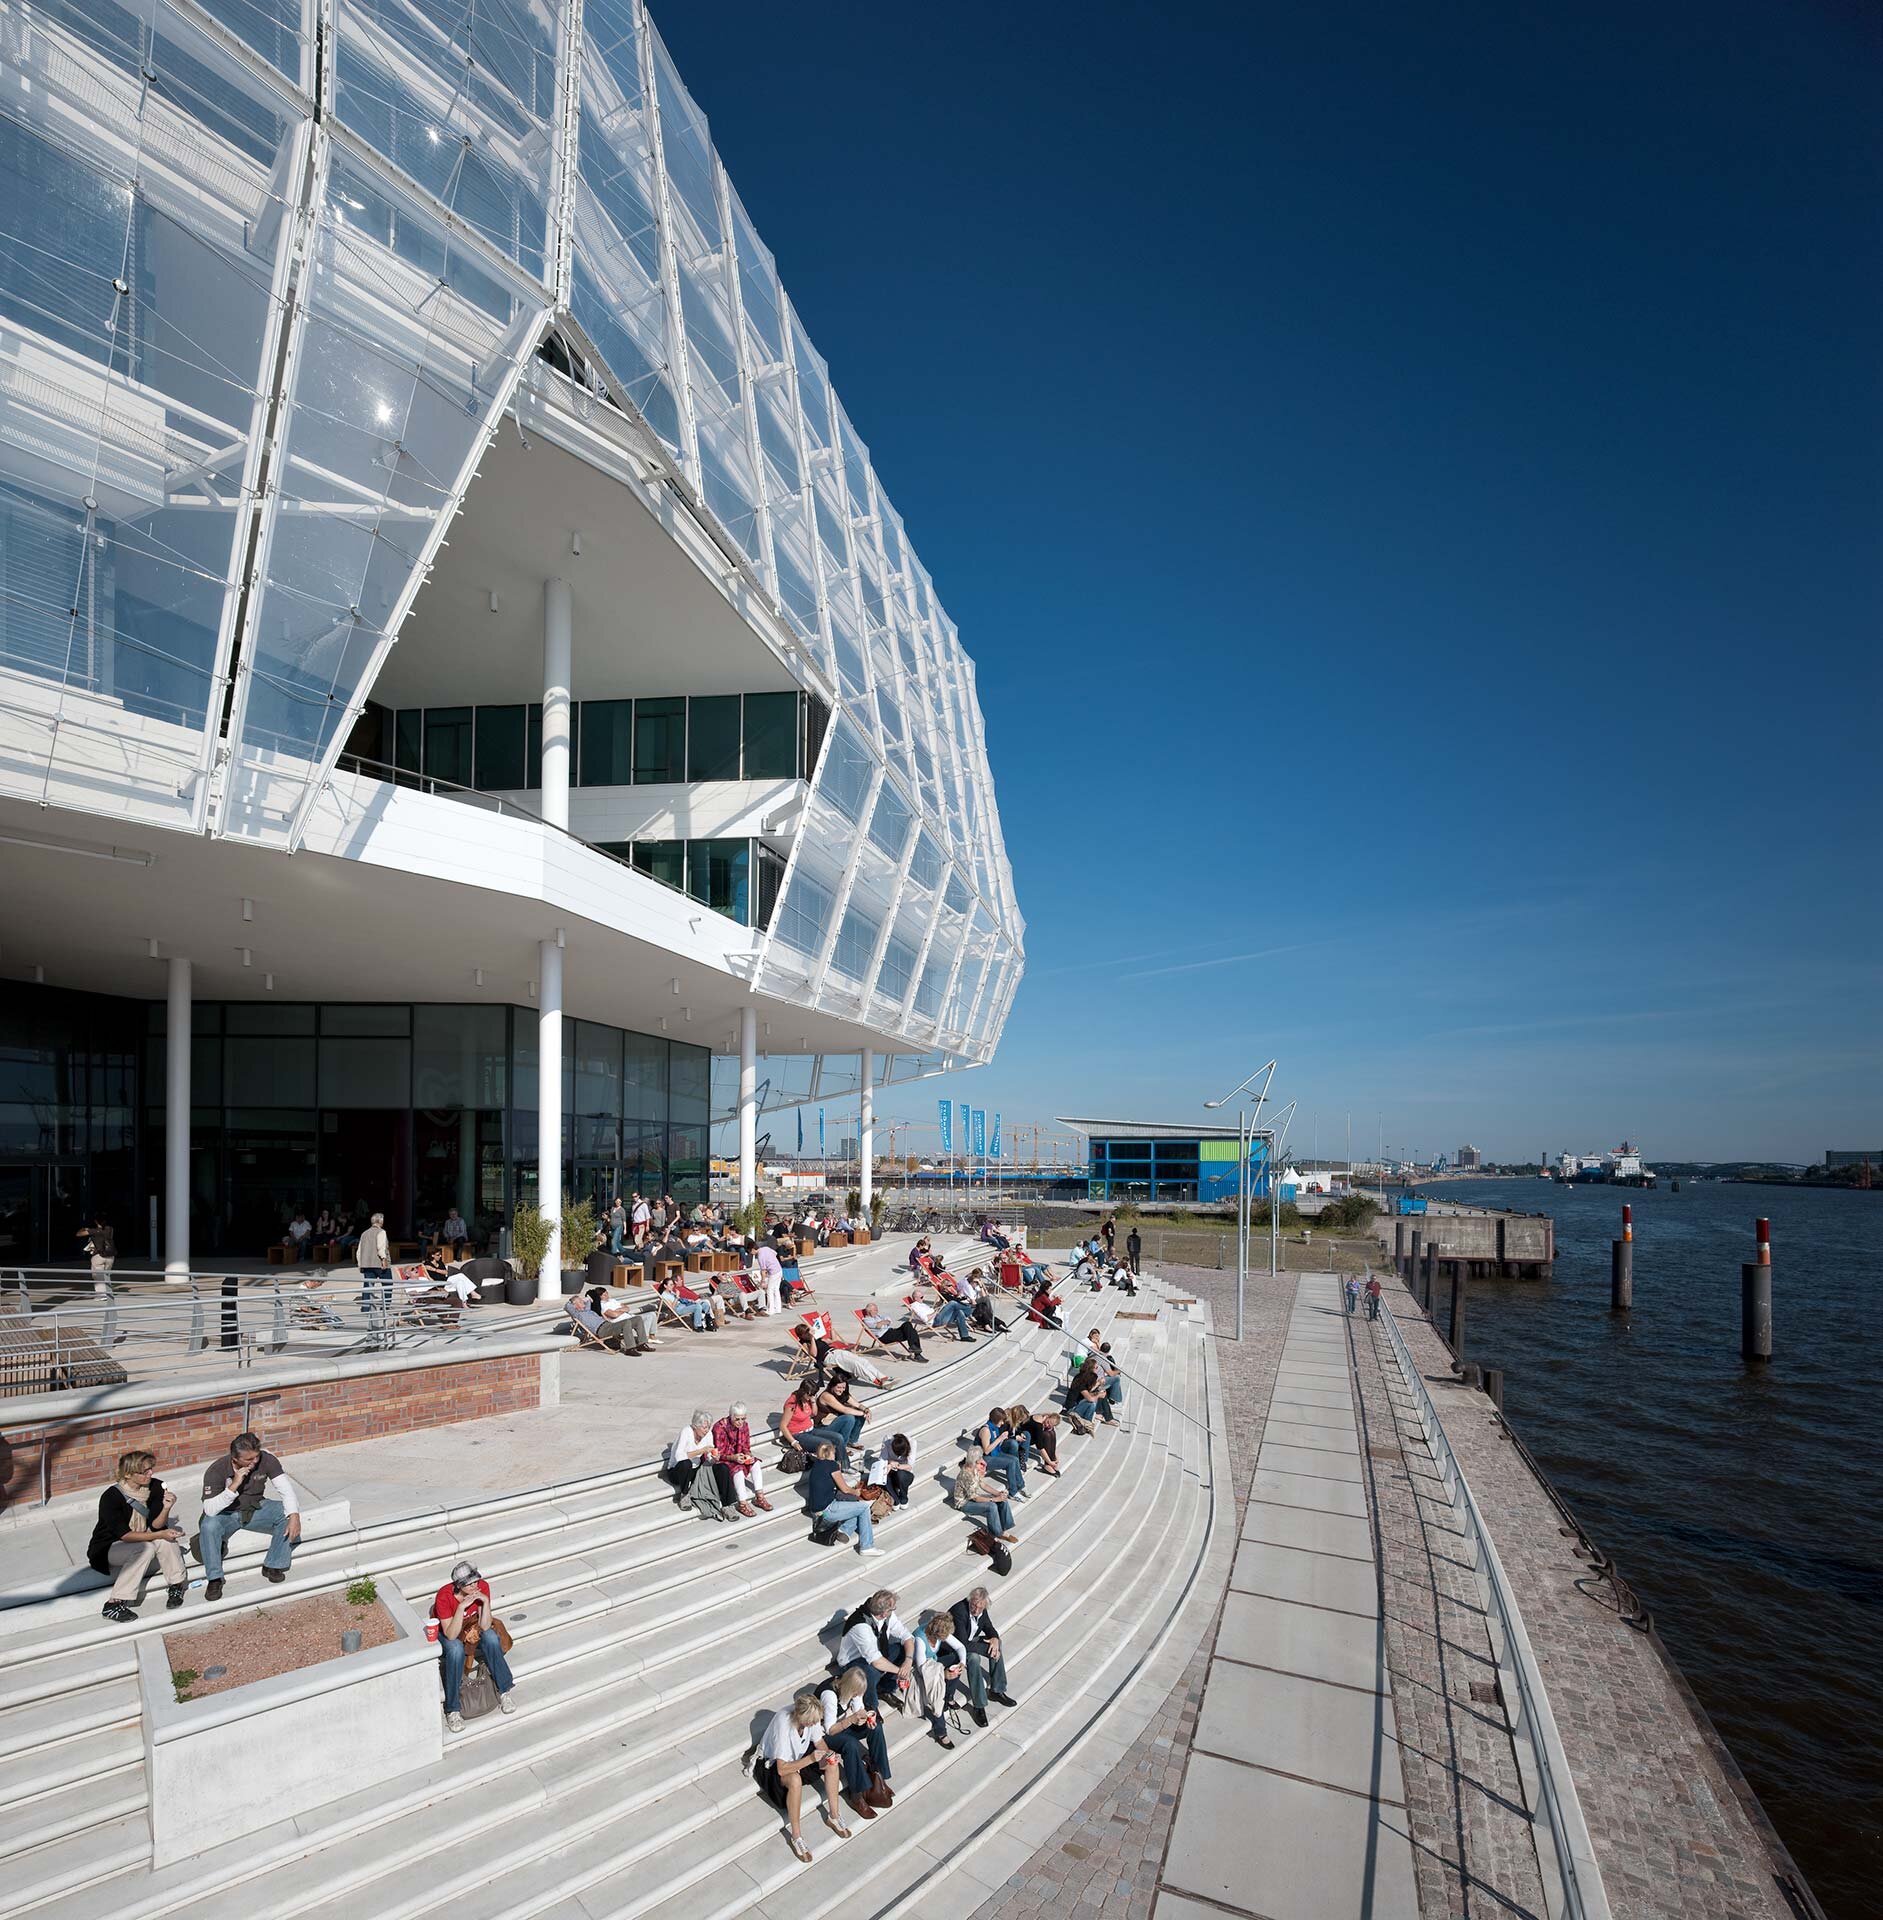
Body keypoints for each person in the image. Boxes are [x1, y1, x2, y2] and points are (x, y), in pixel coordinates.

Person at [197, 1431, 300, 1599]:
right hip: (225, 1514)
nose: (254, 1462)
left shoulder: (267, 1459)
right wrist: (234, 1485)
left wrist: (294, 1516)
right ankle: (214, 1578)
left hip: (255, 1509)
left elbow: (285, 1490)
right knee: (208, 1525)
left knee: (286, 1512)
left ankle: (272, 1565)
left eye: (256, 1457)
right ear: (235, 1458)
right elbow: (210, 1509)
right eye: (248, 1459)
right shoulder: (216, 1470)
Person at [90, 1449, 186, 1621]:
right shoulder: (111, 1496)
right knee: (146, 1548)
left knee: (165, 1540)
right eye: (145, 1471)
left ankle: (176, 1584)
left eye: (151, 1469)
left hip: (141, 1538)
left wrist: (166, 1508)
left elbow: (156, 1526)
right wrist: (160, 1534)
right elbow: (125, 1535)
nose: (151, 1473)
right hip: (110, 1546)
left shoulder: (156, 1487)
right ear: (128, 1474)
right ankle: (114, 1604)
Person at [753, 1694, 848, 1860]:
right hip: (772, 1766)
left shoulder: (811, 1717)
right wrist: (811, 1759)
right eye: (810, 1722)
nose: (813, 1724)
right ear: (800, 1716)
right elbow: (782, 1769)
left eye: (815, 1721)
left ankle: (834, 1815)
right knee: (795, 1780)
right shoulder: (783, 1723)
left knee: (831, 1762)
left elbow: (819, 1743)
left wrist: (829, 1754)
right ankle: (796, 1837)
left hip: (797, 1757)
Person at [433, 1560, 517, 1730]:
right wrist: (462, 1607)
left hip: (472, 1626)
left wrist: (485, 1602)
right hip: (448, 1630)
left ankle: (504, 1690)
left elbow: (485, 1625)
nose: (474, 1586)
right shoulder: (444, 1596)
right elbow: (450, 1634)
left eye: (475, 1581)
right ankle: (453, 1709)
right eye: (469, 1583)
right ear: (459, 1585)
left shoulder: (482, 1587)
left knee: (492, 1638)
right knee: (455, 1649)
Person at [817, 1668, 892, 1823]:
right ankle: (857, 1794)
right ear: (850, 1688)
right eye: (856, 1693)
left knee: (876, 1728)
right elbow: (830, 1730)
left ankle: (879, 1777)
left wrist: (867, 1720)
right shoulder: (830, 1696)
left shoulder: (853, 1691)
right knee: (850, 1745)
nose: (858, 1695)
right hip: (827, 1733)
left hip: (844, 1724)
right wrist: (851, 1720)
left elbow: (859, 1709)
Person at [837, 1587, 914, 1713]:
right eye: (892, 1609)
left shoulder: (887, 1616)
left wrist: (908, 1661)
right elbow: (875, 1661)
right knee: (868, 1672)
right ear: (884, 1612)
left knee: (905, 1650)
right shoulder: (861, 1626)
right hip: (853, 1662)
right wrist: (902, 1672)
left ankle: (884, 1689)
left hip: (878, 1652)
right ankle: (871, 1705)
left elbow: (907, 1636)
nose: (893, 1611)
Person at [950, 1586, 1018, 1726]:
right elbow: (962, 1644)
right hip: (955, 1647)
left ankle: (997, 1690)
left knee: (997, 1644)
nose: (975, 1610)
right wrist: (993, 1648)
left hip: (970, 1640)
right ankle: (979, 1706)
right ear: (970, 1601)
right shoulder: (959, 1611)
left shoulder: (982, 1610)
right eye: (973, 1605)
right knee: (974, 1658)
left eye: (979, 1607)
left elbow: (989, 1628)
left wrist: (994, 1639)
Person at [804, 1441, 883, 1555]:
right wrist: (856, 1491)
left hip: (816, 1510)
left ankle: (845, 1530)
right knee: (864, 1507)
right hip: (827, 1511)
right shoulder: (832, 1465)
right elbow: (845, 1489)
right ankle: (867, 1546)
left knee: (854, 1507)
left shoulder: (817, 1464)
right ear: (831, 1453)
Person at [910, 1609, 967, 1747]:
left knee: (955, 1659)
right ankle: (940, 1731)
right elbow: (921, 1668)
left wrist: (962, 1663)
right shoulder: (920, 1638)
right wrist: (943, 1674)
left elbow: (960, 1647)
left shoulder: (940, 1630)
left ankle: (949, 1696)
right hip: (920, 1671)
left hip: (933, 1665)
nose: (945, 1638)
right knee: (937, 1692)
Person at [670, 1408, 739, 1517]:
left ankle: (728, 1505)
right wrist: (701, 1451)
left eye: (708, 1427)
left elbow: (709, 1459)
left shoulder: (708, 1435)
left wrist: (714, 1458)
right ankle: (684, 1495)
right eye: (704, 1427)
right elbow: (679, 1457)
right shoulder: (686, 1431)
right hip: (678, 1471)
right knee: (686, 1463)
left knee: (723, 1468)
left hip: (696, 1470)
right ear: (695, 1426)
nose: (706, 1430)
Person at [781, 1378, 854, 1470]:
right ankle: (831, 1469)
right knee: (826, 1443)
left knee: (838, 1437)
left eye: (813, 1394)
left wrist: (813, 1401)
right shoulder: (792, 1404)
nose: (812, 1396)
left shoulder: (807, 1398)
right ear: (804, 1391)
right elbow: (783, 1426)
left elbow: (814, 1414)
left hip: (810, 1430)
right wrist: (793, 1442)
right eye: (810, 1394)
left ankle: (845, 1467)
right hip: (798, 1435)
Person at [713, 1403, 773, 1515]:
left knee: (755, 1464)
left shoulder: (744, 1425)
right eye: (737, 1419)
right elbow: (719, 1453)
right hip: (724, 1460)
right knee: (738, 1470)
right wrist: (733, 1457)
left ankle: (759, 1496)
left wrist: (747, 1454)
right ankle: (742, 1503)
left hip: (738, 1455)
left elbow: (746, 1445)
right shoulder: (719, 1427)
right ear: (731, 1416)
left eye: (743, 1418)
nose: (740, 1422)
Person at [952, 1445, 1018, 1544]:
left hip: (973, 1497)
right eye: (980, 1458)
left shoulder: (974, 1468)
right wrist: (994, 1499)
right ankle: (997, 1532)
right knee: (991, 1506)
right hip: (964, 1503)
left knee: (1002, 1499)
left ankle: (1004, 1527)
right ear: (976, 1460)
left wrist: (998, 1494)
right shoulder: (966, 1475)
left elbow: (983, 1484)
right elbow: (975, 1498)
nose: (982, 1460)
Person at [78, 1214, 119, 1342]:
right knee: (107, 1275)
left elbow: (79, 1234)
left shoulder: (94, 1230)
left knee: (97, 1275)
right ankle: (108, 1292)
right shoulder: (110, 1229)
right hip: (110, 1256)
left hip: (99, 1256)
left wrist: (86, 1228)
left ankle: (101, 1294)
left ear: (96, 1222)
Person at [975, 1405, 1030, 1498]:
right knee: (1010, 1462)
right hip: (984, 1459)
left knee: (1015, 1460)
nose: (1002, 1423)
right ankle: (1013, 1492)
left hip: (995, 1453)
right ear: (996, 1420)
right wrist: (1000, 1438)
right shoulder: (986, 1430)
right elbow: (986, 1451)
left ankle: (1021, 1486)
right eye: (1001, 1421)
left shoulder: (995, 1427)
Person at [356, 1210, 393, 1327]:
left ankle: (366, 1308)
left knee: (368, 1286)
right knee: (388, 1285)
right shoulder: (381, 1232)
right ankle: (385, 1306)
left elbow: (359, 1251)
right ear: (380, 1221)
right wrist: (384, 1259)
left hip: (367, 1264)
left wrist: (360, 1264)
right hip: (379, 1264)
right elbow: (381, 1247)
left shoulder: (364, 1233)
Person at [815, 1371, 870, 1449]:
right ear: (832, 1386)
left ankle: (851, 1441)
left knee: (859, 1415)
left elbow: (858, 1404)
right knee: (849, 1418)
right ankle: (841, 1447)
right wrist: (862, 1413)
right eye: (838, 1387)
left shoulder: (843, 1393)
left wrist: (866, 1410)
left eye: (843, 1387)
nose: (841, 1390)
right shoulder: (826, 1395)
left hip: (834, 1421)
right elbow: (844, 1409)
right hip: (823, 1427)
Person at [858, 1300, 926, 1362]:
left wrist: (884, 1322)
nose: (877, 1311)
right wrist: (883, 1322)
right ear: (869, 1311)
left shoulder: (877, 1316)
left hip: (891, 1332)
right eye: (875, 1310)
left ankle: (914, 1348)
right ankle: (917, 1354)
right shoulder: (867, 1320)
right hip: (885, 1336)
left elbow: (888, 1319)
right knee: (912, 1332)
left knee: (907, 1324)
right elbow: (878, 1325)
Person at [866, 1432, 916, 1508]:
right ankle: (895, 1499)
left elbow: (910, 1466)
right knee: (882, 1474)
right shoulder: (887, 1440)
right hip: (889, 1469)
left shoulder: (912, 1442)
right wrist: (890, 1463)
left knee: (901, 1474)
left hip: (904, 1473)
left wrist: (897, 1465)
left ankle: (903, 1497)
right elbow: (882, 1459)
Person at [1021, 1408, 1065, 1478]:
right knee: (1046, 1435)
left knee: (1051, 1432)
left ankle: (1052, 1460)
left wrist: (1055, 1457)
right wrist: (1049, 1462)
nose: (1047, 1425)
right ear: (1047, 1416)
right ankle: (1047, 1465)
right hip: (1023, 1439)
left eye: (1050, 1425)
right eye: (1048, 1422)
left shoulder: (1045, 1421)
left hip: (1032, 1437)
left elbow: (1052, 1442)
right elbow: (1040, 1447)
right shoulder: (1038, 1424)